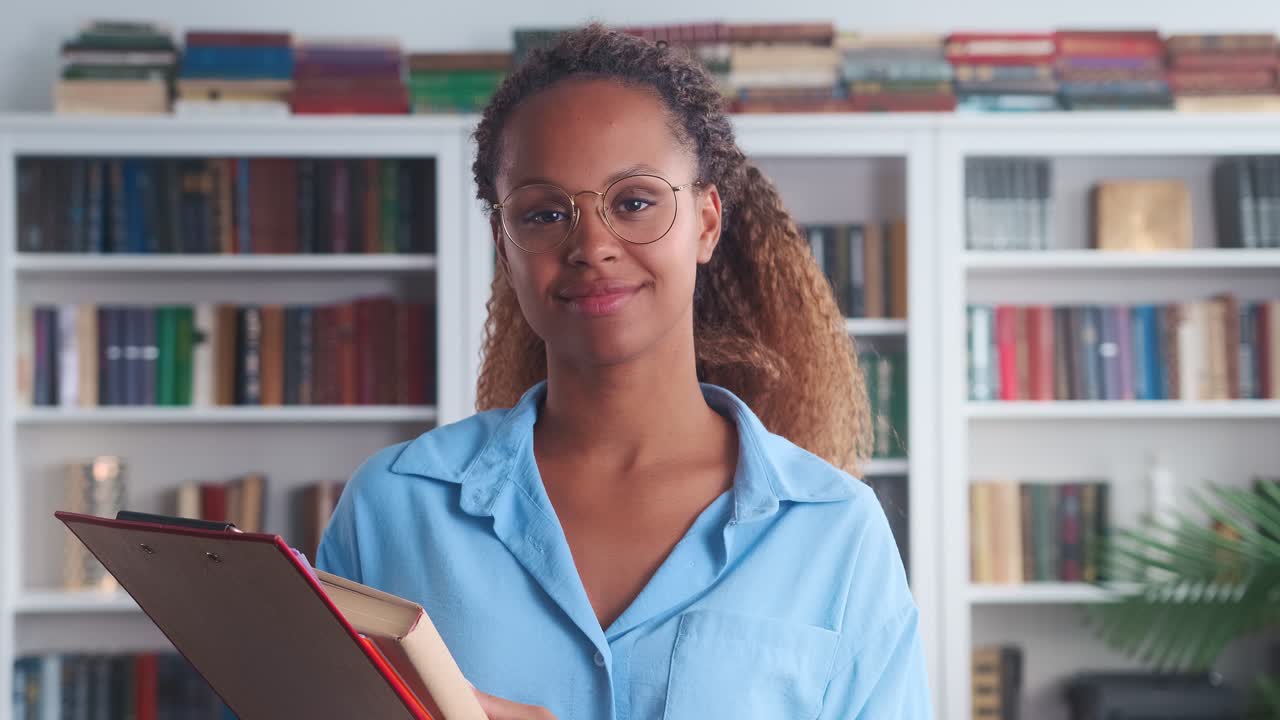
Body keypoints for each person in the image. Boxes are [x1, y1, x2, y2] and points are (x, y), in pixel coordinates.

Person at [317, 23, 932, 720]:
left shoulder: (836, 534)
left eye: (634, 201)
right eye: (545, 213)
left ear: (704, 222)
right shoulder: (391, 511)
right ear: (504, 246)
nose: (592, 245)